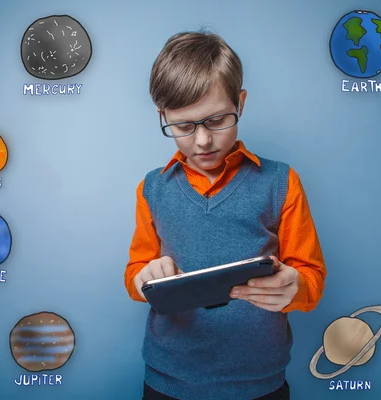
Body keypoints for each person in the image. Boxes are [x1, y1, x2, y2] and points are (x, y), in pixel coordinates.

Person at [124, 30, 327, 400]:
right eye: (183, 126)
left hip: (261, 383)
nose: (202, 141)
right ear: (162, 115)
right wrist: (143, 279)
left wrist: (294, 286)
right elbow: (135, 274)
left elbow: (311, 280)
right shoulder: (152, 188)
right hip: (168, 380)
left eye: (217, 120)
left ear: (241, 102)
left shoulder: (281, 182)